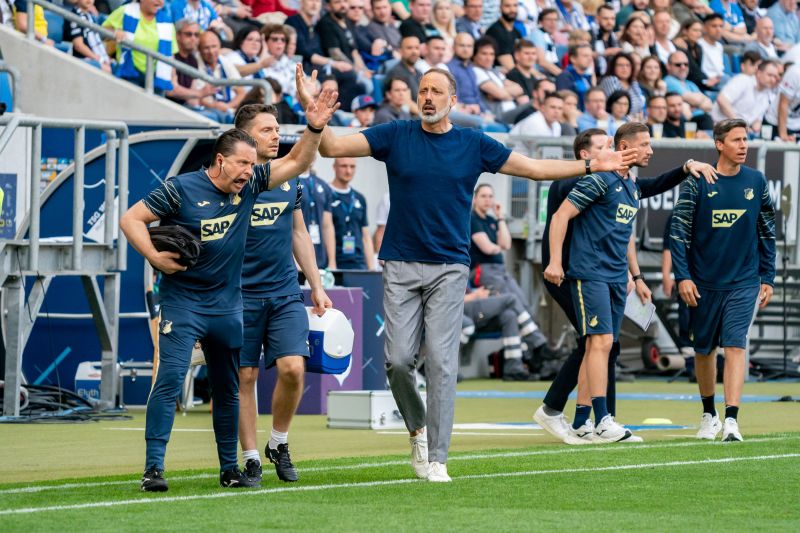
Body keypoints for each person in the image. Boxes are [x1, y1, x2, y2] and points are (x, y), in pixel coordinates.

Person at [294, 66, 636, 482]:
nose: (428, 97)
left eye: (437, 91)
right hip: (401, 263)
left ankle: (437, 457)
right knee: (399, 362)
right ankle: (418, 429)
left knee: (440, 362)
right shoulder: (395, 134)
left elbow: (533, 169)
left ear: (453, 100)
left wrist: (589, 165)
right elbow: (329, 147)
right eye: (422, 90)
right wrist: (314, 118)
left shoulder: (473, 143)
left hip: (451, 267)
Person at [118, 67, 338, 491]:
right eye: (242, 164)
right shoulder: (181, 189)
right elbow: (131, 218)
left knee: (229, 387)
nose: (248, 172)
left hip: (227, 304)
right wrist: (154, 257)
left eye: (252, 166)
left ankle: (230, 469)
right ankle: (153, 469)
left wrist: (314, 125)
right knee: (169, 379)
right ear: (221, 160)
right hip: (183, 302)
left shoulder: (252, 183)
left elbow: (296, 161)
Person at [533, 127, 718, 444]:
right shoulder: (589, 180)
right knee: (599, 343)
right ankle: (601, 418)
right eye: (644, 144)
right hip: (587, 273)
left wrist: (637, 277)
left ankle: (582, 420)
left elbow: (629, 226)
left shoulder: (628, 185)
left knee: (598, 345)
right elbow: (562, 216)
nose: (650, 150)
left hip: (617, 277)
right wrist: (554, 262)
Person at [234, 104, 333, 485]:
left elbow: (299, 233)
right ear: (245, 138)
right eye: (267, 130)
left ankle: (279, 442)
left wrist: (317, 285)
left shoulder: (290, 181)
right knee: (245, 377)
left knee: (293, 368)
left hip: (284, 292)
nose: (276, 135)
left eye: (277, 129)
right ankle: (251, 458)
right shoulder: (233, 181)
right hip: (239, 296)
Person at [670, 118, 775, 442]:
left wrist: (767, 276)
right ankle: (709, 414)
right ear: (719, 144)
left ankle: (731, 420)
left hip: (744, 282)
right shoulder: (697, 182)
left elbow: (767, 232)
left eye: (746, 139)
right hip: (702, 283)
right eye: (737, 140)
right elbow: (678, 233)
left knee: (734, 345)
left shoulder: (756, 181)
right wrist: (683, 277)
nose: (744, 145)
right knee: (704, 350)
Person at [469, 183, 551, 378]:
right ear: (475, 199)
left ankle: (528, 356)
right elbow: (488, 248)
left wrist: (500, 218)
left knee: (521, 306)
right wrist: (498, 246)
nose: (488, 200)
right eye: (483, 196)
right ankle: (537, 345)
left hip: (501, 269)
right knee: (512, 302)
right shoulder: (472, 219)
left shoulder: (491, 220)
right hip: (484, 270)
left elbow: (505, 243)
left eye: (490, 196)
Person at [103, 0, 178, 91]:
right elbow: (102, 32)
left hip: (156, 79)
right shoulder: (125, 10)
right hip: (128, 73)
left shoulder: (167, 22)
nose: (159, 1)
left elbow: (170, 54)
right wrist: (115, 32)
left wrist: (173, 77)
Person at [711, 59, 780, 136]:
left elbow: (756, 122)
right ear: (759, 73)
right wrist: (739, 124)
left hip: (741, 134)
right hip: (720, 129)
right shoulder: (743, 80)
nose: (773, 80)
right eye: (770, 75)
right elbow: (722, 100)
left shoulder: (768, 95)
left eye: (775, 77)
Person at [329, 158, 375, 269]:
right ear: (334, 167)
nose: (348, 171)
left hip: (359, 263)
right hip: (334, 264)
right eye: (343, 166)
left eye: (352, 166)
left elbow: (365, 236)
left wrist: (371, 268)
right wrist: (331, 264)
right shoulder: (325, 194)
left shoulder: (359, 198)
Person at [197, 30, 248, 123]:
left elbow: (241, 91)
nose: (211, 52)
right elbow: (198, 97)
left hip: (227, 108)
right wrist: (215, 106)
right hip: (207, 110)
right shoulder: (196, 63)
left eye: (214, 46)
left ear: (220, 47)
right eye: (206, 48)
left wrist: (228, 106)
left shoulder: (224, 60)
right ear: (199, 49)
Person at [299, 162, 338, 270]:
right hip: (295, 259)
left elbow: (327, 225)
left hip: (319, 258)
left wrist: (332, 262)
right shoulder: (287, 182)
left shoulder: (323, 186)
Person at [64, 0, 112, 73]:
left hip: (97, 58)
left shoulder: (91, 16)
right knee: (107, 69)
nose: (89, 0)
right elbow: (79, 46)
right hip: (84, 59)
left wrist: (105, 59)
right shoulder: (74, 16)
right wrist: (99, 59)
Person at [763, 63, 800, 142]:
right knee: (775, 153)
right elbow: (783, 104)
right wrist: (783, 135)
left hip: (796, 125)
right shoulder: (795, 72)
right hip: (775, 123)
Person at [555, 43, 594, 111]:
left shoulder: (586, 78)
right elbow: (565, 102)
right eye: (585, 56)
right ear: (573, 59)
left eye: (591, 56)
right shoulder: (565, 77)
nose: (590, 59)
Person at [169, 0, 234, 42]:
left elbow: (229, 38)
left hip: (204, 46)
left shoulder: (206, 6)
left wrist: (222, 26)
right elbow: (181, 33)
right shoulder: (177, 4)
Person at [485, 0, 521, 71]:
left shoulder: (517, 32)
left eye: (515, 5)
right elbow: (510, 68)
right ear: (500, 8)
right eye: (507, 6)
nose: (512, 9)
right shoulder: (495, 31)